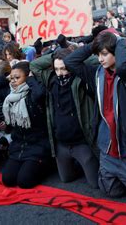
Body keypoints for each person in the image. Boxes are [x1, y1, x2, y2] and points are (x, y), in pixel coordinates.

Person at [64, 31, 126, 207]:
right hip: (107, 147)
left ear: (116, 51)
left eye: (104, 54)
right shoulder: (97, 74)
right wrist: (96, 42)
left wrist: (120, 41)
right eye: (98, 54)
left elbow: (123, 67)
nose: (100, 59)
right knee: (110, 190)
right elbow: (70, 61)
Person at [30, 48, 99, 189]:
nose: (60, 73)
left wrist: (72, 58)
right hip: (62, 144)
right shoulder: (51, 79)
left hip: (82, 143)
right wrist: (55, 55)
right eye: (57, 69)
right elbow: (34, 65)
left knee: (95, 183)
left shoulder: (80, 78)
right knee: (66, 179)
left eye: (64, 68)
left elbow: (95, 60)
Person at [1, 62, 51, 188]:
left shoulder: (33, 94)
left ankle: (48, 164)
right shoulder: (10, 95)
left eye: (17, 78)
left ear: (27, 77)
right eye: (11, 78)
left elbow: (40, 93)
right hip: (18, 146)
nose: (13, 81)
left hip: (37, 146)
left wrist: (30, 78)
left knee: (25, 181)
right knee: (8, 179)